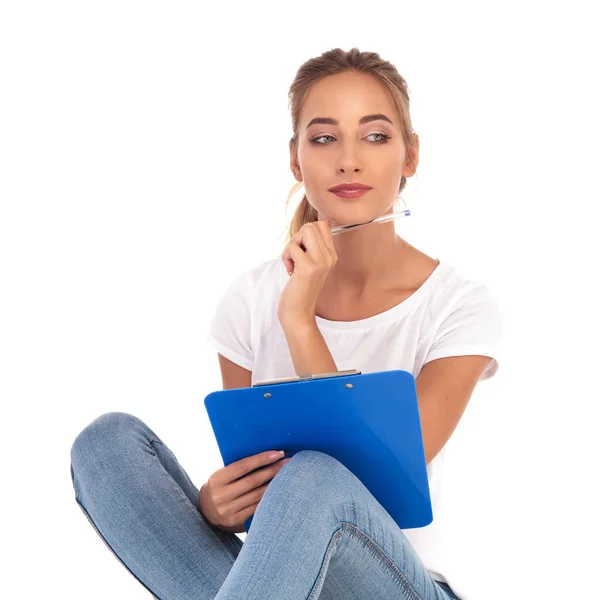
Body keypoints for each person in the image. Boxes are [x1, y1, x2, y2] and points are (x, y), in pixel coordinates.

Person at [70, 47, 502, 600]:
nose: (349, 160)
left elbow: (372, 488)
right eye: (324, 138)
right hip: (285, 582)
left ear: (410, 156)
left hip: (397, 585)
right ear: (296, 161)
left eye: (375, 136)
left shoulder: (458, 304)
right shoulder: (249, 299)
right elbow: (263, 500)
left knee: (313, 473)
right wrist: (215, 506)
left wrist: (301, 319)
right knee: (105, 444)